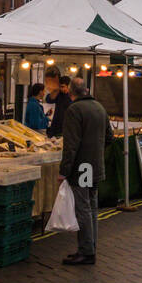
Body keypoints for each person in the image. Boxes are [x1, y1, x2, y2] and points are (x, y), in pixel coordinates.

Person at [58, 76, 115, 266]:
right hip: (95, 165)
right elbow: (109, 137)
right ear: (86, 90)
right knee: (91, 207)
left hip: (82, 167)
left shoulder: (74, 110)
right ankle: (90, 246)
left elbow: (71, 145)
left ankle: (86, 251)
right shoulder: (99, 107)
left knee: (83, 208)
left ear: (72, 92)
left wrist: (64, 170)